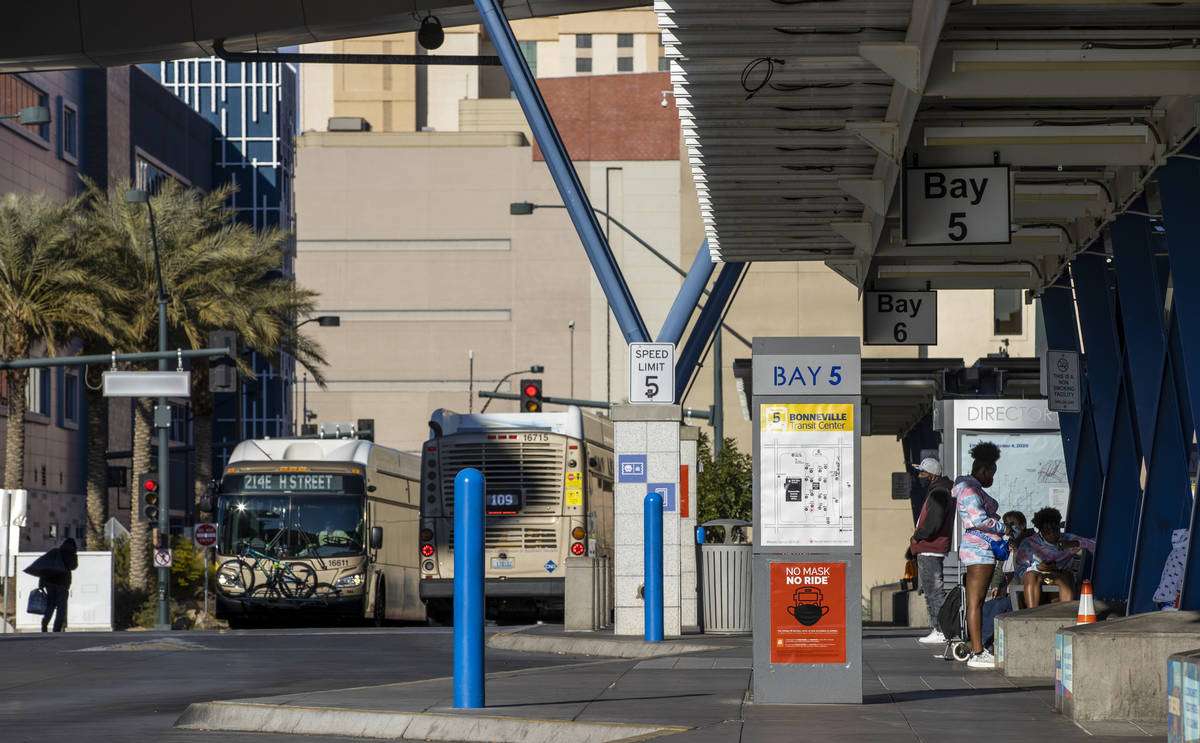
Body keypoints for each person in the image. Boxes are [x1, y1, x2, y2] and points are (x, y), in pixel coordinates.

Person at [954, 441, 1008, 669]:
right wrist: (1002, 527)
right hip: (979, 550)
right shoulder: (969, 489)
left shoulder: (968, 487)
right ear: (983, 470)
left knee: (976, 602)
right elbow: (977, 520)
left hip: (978, 548)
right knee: (976, 602)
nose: (992, 479)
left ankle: (978, 649)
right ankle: (977, 652)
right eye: (991, 473)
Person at [906, 456, 955, 645]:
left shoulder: (939, 493)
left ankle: (940, 629)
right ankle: (938, 628)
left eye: (923, 473)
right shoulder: (940, 490)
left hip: (930, 548)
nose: (920, 476)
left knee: (934, 591)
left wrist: (918, 536)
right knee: (931, 590)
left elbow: (933, 522)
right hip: (930, 548)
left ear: (933, 476)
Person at [1015, 507, 1095, 608]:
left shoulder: (1067, 539)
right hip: (1035, 579)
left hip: (1058, 577)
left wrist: (1076, 543)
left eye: (1055, 529)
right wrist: (1037, 568)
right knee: (1031, 576)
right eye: (1047, 530)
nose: (1053, 533)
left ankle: (1066, 613)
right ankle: (1032, 613)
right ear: (1040, 530)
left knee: (1067, 576)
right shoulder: (1029, 543)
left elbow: (1095, 544)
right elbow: (1019, 572)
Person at [25, 537, 78, 632]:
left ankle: (44, 624)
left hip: (49, 583)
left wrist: (41, 584)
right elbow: (73, 566)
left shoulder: (55, 552)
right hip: (63, 585)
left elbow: (44, 567)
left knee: (50, 606)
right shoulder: (71, 554)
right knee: (61, 608)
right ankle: (56, 629)